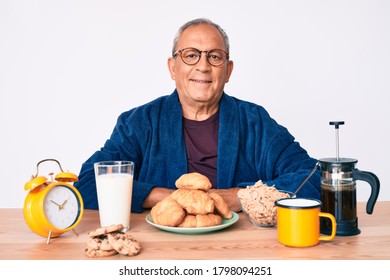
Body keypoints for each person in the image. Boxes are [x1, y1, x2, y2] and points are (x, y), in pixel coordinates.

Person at [74, 18, 321, 213]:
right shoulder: (139, 123)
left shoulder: (254, 122)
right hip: (159, 248)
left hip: (239, 246)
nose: (203, 66)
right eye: (191, 55)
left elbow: (312, 176)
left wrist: (236, 197)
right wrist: (172, 198)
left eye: (214, 56)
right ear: (173, 67)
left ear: (228, 71)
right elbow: (87, 184)